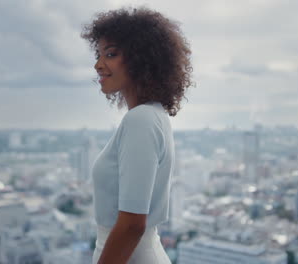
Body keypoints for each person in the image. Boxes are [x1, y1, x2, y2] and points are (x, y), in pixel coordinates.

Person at [80, 5, 194, 264]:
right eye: (98, 55)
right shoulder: (153, 115)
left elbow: (132, 225)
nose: (98, 65)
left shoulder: (141, 120)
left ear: (141, 58)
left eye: (110, 54)